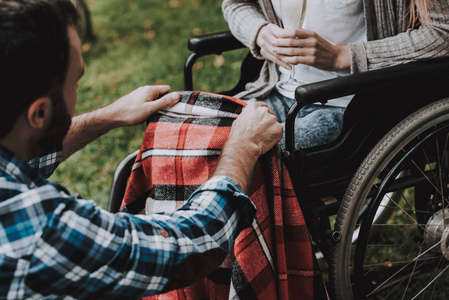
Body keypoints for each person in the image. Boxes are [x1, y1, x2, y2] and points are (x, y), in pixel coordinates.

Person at [0, 0, 283, 299]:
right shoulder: (40, 227)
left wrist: (108, 116)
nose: (78, 90)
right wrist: (243, 145)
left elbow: (29, 158)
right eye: (77, 81)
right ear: (39, 114)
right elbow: (191, 245)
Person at [222, 0, 449, 150]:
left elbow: (442, 33)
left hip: (352, 106)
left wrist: (342, 57)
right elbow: (235, 3)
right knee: (203, 136)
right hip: (277, 88)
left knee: (237, 149)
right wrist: (259, 32)